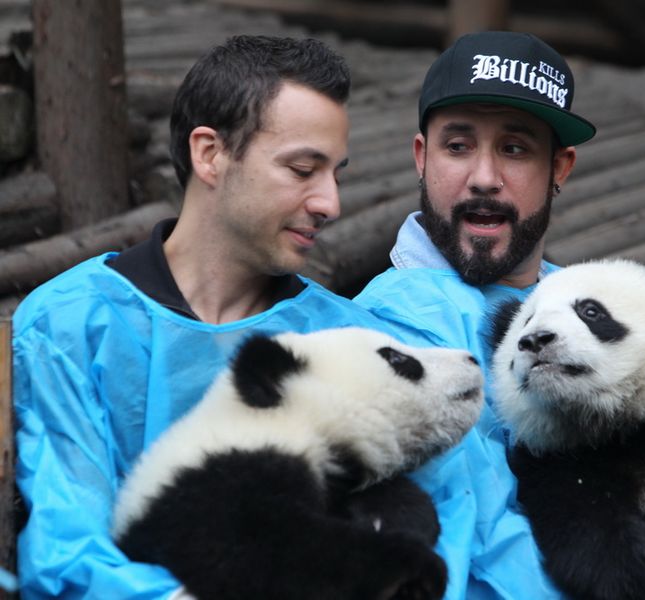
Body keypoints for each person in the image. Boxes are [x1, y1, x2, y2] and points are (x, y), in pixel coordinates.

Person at [13, 35, 393, 599]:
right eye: (303, 169)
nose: (330, 202)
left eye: (335, 172)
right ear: (210, 154)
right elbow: (67, 545)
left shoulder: (342, 337)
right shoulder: (70, 324)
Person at [354, 31, 596, 599]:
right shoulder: (391, 325)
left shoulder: (582, 297)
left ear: (559, 167)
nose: (484, 177)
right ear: (422, 157)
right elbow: (473, 538)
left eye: (514, 149)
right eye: (458, 146)